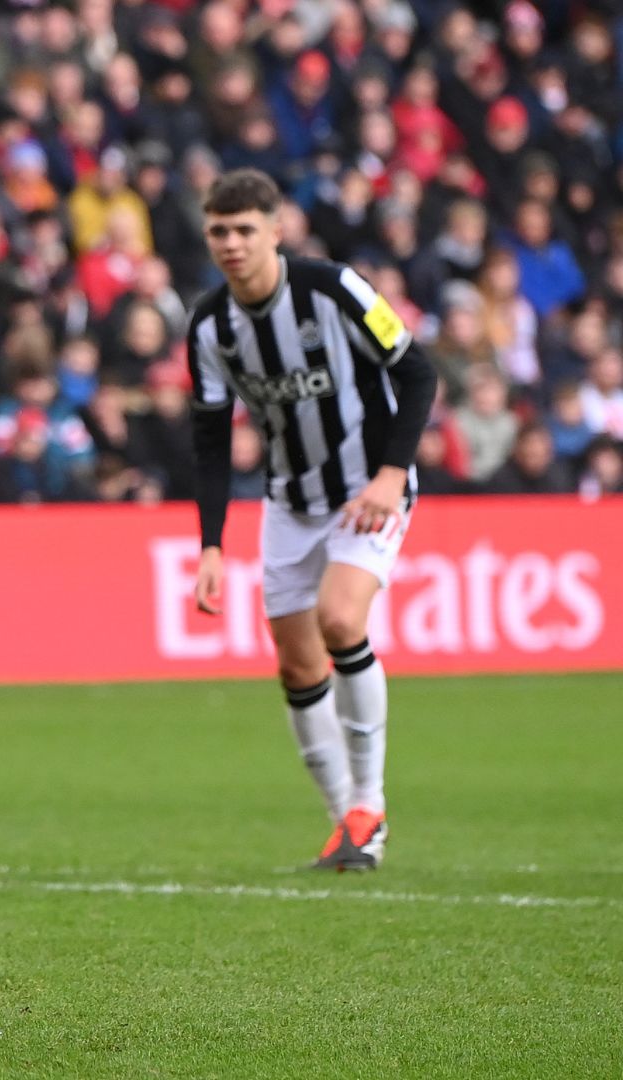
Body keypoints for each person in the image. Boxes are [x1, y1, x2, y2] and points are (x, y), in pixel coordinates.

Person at [185, 169, 438, 872]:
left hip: (367, 488)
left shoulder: (336, 290)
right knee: (296, 663)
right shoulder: (210, 325)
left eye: (244, 230)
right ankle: (344, 825)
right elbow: (209, 437)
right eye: (218, 232)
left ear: (276, 230)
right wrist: (210, 543)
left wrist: (392, 473)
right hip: (289, 502)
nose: (231, 244)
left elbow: (418, 372)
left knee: (340, 621)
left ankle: (370, 802)